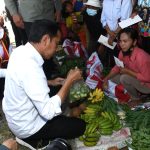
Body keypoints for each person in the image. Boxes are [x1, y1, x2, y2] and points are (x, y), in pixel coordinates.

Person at [2, 20, 86, 150]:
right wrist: (69, 81)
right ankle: (32, 139)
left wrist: (49, 82)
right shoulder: (31, 67)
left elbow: (22, 79)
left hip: (15, 119)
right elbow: (48, 112)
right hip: (27, 127)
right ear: (46, 39)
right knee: (79, 126)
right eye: (56, 43)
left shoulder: (19, 51)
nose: (57, 48)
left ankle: (34, 135)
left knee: (57, 86)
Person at [103, 28, 150, 107]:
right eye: (120, 41)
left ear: (134, 42)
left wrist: (128, 71)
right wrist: (106, 78)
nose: (122, 44)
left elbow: (147, 78)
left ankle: (136, 98)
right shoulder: (122, 52)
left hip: (147, 85)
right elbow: (117, 67)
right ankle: (131, 91)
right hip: (135, 78)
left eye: (125, 41)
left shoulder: (141, 56)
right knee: (112, 79)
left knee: (124, 78)